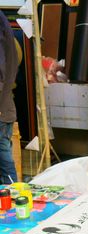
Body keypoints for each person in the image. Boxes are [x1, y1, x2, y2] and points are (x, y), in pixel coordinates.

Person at [0, 10, 18, 184]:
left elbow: (4, 70)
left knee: (4, 157)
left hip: (2, 108)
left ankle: (12, 196)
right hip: (4, 106)